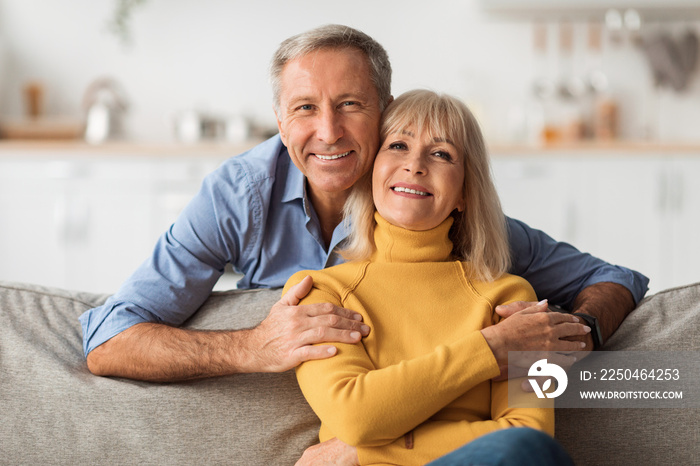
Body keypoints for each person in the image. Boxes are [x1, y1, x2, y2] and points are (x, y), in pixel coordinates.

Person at [80, 24, 647, 385]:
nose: (327, 132)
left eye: (350, 104)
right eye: (304, 109)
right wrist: (254, 346)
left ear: (387, 108)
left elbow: (612, 277)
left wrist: (577, 333)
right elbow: (109, 339)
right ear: (280, 122)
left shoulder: (423, 198)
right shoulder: (238, 196)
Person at [287, 89, 573, 466]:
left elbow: (529, 438)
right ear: (373, 170)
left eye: (441, 154)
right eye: (398, 146)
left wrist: (362, 451)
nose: (415, 165)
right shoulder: (319, 293)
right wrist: (489, 348)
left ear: (464, 193)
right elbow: (356, 417)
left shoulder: (511, 299)